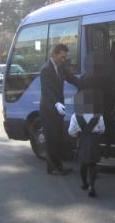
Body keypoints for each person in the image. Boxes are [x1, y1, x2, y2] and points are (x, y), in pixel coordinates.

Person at [39, 43, 81, 175]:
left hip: (58, 109)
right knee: (51, 139)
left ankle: (59, 166)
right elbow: (47, 91)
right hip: (48, 109)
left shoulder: (61, 67)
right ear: (55, 54)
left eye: (65, 57)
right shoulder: (46, 69)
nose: (64, 60)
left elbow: (72, 78)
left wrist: (87, 84)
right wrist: (56, 103)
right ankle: (52, 168)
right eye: (62, 57)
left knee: (58, 138)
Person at [69, 89, 105, 197]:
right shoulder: (99, 116)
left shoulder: (75, 116)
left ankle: (85, 183)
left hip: (82, 142)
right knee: (93, 165)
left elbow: (71, 131)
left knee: (84, 164)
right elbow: (102, 129)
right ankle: (92, 186)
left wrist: (79, 134)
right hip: (94, 142)